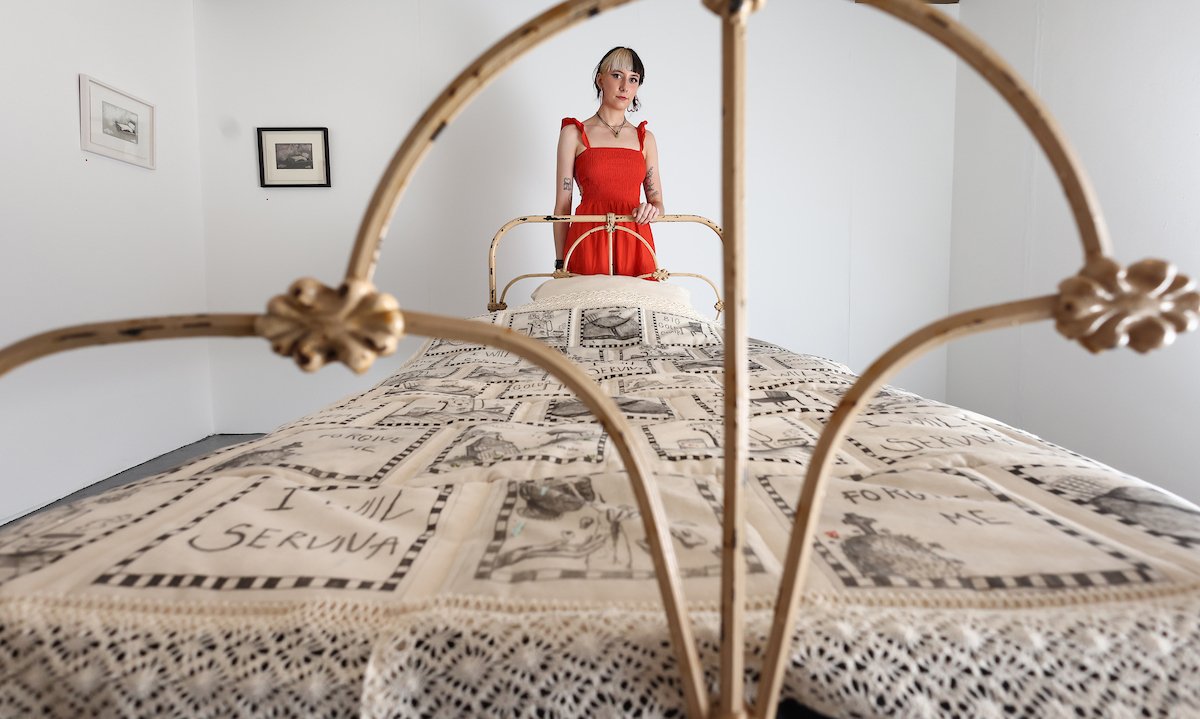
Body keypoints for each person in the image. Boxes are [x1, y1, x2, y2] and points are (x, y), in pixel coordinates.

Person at [554, 46, 664, 278]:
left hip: (635, 241)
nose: (625, 86)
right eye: (617, 75)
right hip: (587, 240)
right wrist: (561, 263)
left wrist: (651, 209)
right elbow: (563, 205)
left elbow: (658, 204)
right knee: (587, 300)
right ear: (600, 79)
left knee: (638, 301)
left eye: (633, 79)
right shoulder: (574, 134)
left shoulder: (645, 139)